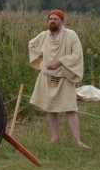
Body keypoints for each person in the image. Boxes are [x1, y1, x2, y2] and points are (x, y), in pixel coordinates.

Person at [29, 9, 87, 148]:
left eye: (56, 19)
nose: (52, 21)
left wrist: (59, 62)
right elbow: (31, 44)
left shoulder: (70, 35)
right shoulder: (44, 36)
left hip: (64, 77)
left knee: (70, 109)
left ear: (62, 21)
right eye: (50, 19)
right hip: (47, 78)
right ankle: (54, 138)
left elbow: (77, 55)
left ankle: (77, 141)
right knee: (50, 109)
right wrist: (42, 58)